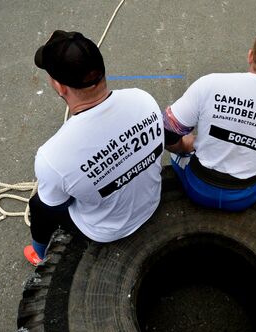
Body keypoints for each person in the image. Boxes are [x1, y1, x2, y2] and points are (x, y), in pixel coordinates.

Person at [25, 30, 164, 266]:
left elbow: (55, 205)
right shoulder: (143, 99)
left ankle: (40, 254)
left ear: (59, 86)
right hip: (152, 203)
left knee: (39, 206)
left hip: (106, 230)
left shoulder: (52, 156)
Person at [163, 26, 256, 211]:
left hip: (198, 187)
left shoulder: (211, 84)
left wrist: (187, 145)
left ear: (251, 56)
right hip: (243, 197)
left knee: (177, 145)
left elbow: (166, 132)